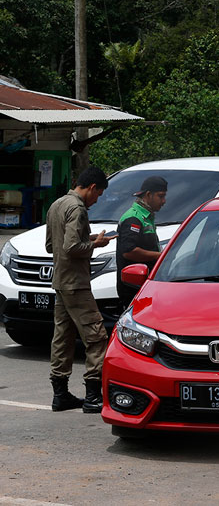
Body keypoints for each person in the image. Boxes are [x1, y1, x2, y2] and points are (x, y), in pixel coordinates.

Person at [45, 166, 112, 412]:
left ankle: (60, 394)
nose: (97, 200)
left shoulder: (57, 205)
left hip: (61, 282)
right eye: (99, 194)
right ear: (92, 188)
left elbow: (52, 246)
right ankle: (93, 395)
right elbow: (73, 247)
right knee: (96, 336)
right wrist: (96, 244)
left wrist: (89, 239)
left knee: (62, 337)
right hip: (77, 283)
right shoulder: (77, 208)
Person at [116, 176, 167, 307]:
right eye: (160, 196)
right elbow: (129, 252)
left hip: (146, 285)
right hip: (133, 288)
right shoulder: (133, 218)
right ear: (148, 195)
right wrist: (161, 256)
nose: (164, 201)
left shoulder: (147, 216)